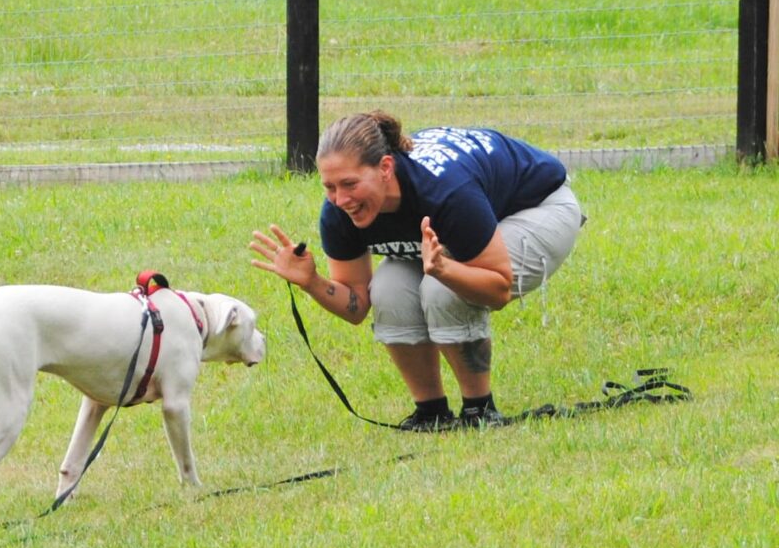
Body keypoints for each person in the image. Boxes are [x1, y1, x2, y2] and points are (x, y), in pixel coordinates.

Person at [249, 111, 584, 430]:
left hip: (539, 205)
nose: (341, 199)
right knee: (389, 290)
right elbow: (357, 306)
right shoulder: (338, 213)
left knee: (442, 288)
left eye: (350, 184)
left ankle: (479, 409)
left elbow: (498, 290)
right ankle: (431, 412)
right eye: (330, 187)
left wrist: (445, 270)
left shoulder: (445, 192)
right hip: (470, 218)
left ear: (385, 167)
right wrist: (312, 282)